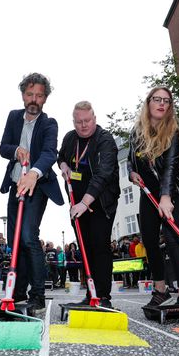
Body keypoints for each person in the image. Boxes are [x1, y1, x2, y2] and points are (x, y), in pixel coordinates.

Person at [0, 73, 64, 310]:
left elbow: (49, 153)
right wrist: (16, 150)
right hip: (15, 185)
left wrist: (34, 173)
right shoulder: (13, 117)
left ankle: (38, 293)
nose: (34, 99)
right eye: (29, 94)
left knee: (28, 236)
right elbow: (2, 147)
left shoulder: (49, 124)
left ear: (45, 98)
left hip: (37, 186)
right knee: (15, 240)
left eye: (39, 95)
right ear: (23, 95)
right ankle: (17, 292)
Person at [128, 87, 179, 307]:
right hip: (148, 190)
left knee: (171, 236)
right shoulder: (136, 131)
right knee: (148, 238)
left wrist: (166, 197)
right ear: (148, 103)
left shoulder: (173, 131)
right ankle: (160, 289)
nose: (161, 104)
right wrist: (131, 173)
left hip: (173, 188)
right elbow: (130, 160)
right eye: (157, 99)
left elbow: (171, 167)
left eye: (166, 100)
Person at [58, 100, 120, 308]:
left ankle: (103, 296)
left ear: (94, 118)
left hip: (100, 202)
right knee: (85, 248)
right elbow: (60, 156)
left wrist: (85, 203)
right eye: (78, 122)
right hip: (77, 204)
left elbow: (103, 175)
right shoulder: (69, 138)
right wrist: (64, 165)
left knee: (99, 246)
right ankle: (90, 292)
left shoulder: (105, 140)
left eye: (87, 121)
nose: (83, 125)